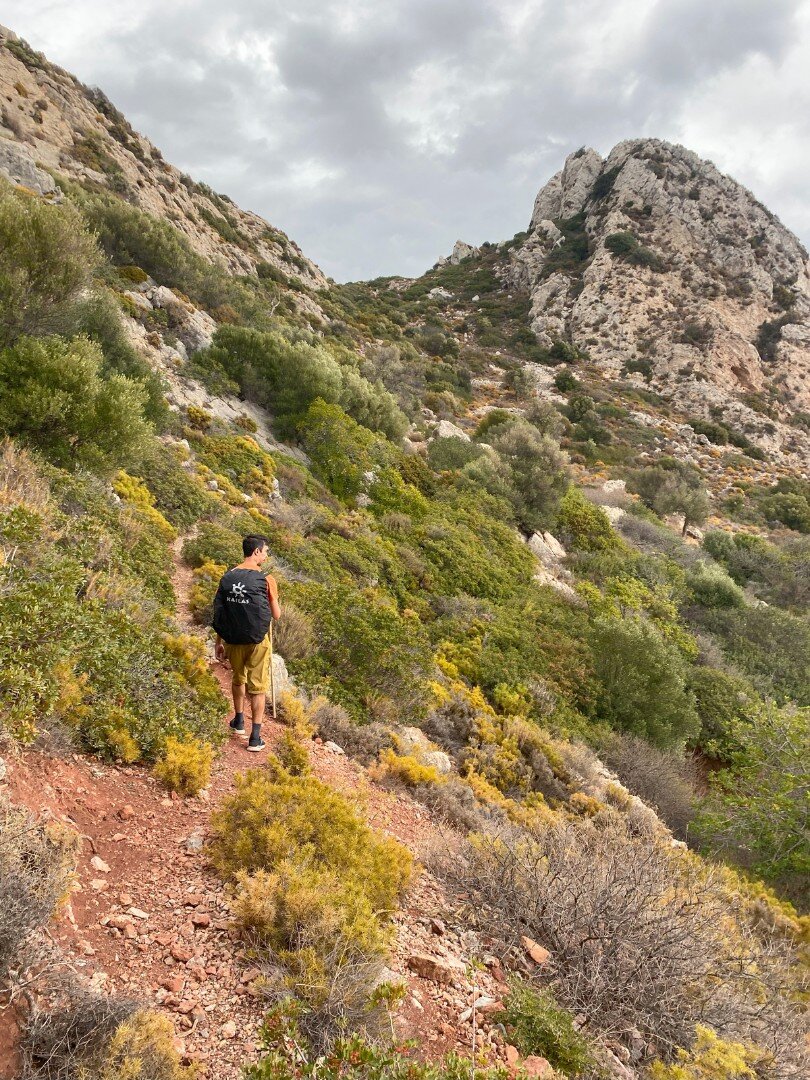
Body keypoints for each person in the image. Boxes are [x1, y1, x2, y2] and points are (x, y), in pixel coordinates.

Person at [212, 534, 281, 752]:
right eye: (266, 551)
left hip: (232, 639)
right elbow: (276, 615)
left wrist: (219, 641)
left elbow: (221, 612)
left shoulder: (227, 577)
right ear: (256, 552)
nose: (266, 555)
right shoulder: (267, 579)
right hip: (258, 640)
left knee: (238, 678)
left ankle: (239, 721)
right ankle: (255, 737)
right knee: (258, 688)